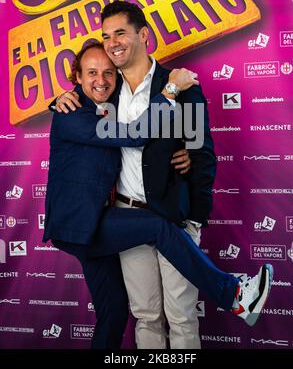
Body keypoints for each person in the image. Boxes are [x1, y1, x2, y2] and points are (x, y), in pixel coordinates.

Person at [45, 41, 274, 351]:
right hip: (84, 226)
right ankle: (233, 296)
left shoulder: (122, 99)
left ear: (142, 38)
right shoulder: (72, 112)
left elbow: (198, 147)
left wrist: (190, 167)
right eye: (92, 73)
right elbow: (135, 133)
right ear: (77, 77)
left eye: (108, 72)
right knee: (151, 277)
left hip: (136, 216)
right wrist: (169, 92)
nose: (101, 80)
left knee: (114, 315)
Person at [56, 0, 215, 349]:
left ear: (143, 35)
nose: (112, 42)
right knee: (146, 315)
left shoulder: (179, 84)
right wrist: (57, 99)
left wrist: (196, 218)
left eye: (120, 33)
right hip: (126, 217)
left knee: (182, 317)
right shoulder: (105, 94)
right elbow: (77, 115)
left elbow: (200, 153)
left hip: (174, 218)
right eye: (106, 35)